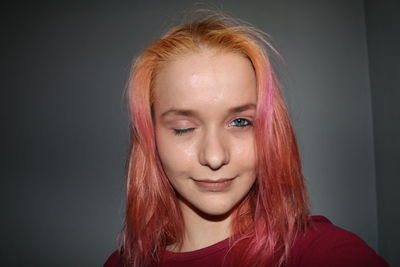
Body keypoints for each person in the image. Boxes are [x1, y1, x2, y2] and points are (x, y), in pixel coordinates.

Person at [104, 11, 388, 267]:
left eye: (240, 122)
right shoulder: (121, 263)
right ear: (150, 137)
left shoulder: (324, 252)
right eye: (183, 127)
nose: (215, 157)